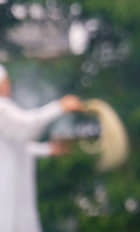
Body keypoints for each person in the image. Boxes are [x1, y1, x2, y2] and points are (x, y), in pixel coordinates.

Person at [0, 64, 84, 232]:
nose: (9, 85)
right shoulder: (2, 108)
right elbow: (26, 126)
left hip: (15, 190)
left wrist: (48, 149)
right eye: (5, 81)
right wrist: (59, 107)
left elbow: (17, 146)